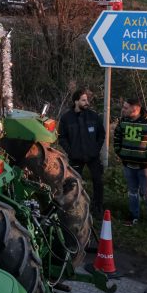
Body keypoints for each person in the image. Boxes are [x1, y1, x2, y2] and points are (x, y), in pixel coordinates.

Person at [112, 98, 147, 226]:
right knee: (132, 192)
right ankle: (134, 216)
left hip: (145, 166)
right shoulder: (123, 121)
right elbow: (117, 137)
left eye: (126, 107)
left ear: (135, 109)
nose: (123, 109)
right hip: (128, 164)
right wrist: (120, 152)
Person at [58, 88, 105, 216]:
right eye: (83, 100)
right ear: (76, 101)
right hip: (76, 157)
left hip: (92, 156)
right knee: (73, 183)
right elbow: (61, 137)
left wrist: (95, 149)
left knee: (98, 181)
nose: (87, 102)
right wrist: (71, 151)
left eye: (87, 100)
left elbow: (102, 135)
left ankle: (98, 207)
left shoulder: (94, 116)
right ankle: (74, 207)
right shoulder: (66, 118)